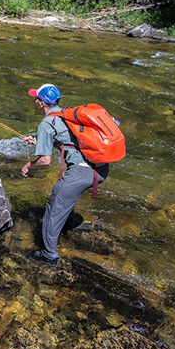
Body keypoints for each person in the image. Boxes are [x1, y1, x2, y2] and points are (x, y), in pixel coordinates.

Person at [21, 83, 108, 267]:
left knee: (55, 204)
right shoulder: (65, 113)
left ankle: (48, 255)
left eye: (35, 98)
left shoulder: (46, 123)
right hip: (99, 168)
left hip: (82, 171)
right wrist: (37, 140)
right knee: (67, 191)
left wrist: (28, 165)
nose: (34, 101)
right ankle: (67, 224)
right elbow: (66, 140)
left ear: (42, 103)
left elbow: (45, 161)